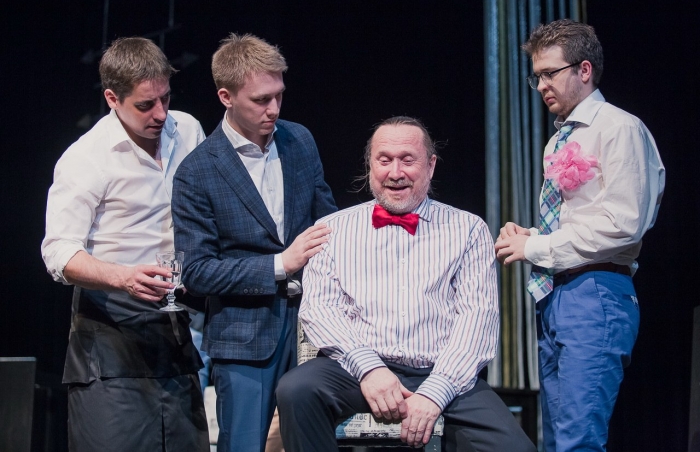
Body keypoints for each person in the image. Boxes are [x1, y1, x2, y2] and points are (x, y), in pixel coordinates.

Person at [276, 116, 536, 452]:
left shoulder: (468, 229)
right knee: (296, 390)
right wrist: (369, 369)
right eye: (384, 160)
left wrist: (435, 393)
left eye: (407, 160)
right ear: (370, 165)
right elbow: (320, 310)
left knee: (515, 448)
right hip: (356, 368)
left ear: (430, 166)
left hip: (440, 370)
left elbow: (477, 320)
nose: (395, 172)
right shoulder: (332, 230)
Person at [494, 19, 665, 451]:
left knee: (578, 441)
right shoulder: (558, 141)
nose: (541, 85)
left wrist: (536, 246)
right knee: (556, 440)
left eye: (550, 73)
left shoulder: (618, 128)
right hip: (557, 294)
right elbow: (576, 220)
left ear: (584, 69)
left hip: (597, 292)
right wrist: (531, 234)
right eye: (537, 77)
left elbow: (623, 224)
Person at [41, 37, 209, 452]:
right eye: (145, 105)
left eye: (165, 98)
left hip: (175, 330)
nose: (161, 113)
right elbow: (58, 251)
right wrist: (124, 277)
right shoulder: (87, 157)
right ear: (112, 99)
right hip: (110, 333)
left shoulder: (187, 130)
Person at [171, 33, 337, 452]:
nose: (274, 109)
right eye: (261, 100)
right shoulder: (197, 172)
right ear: (226, 97)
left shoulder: (299, 140)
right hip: (244, 338)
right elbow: (197, 271)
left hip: (314, 327)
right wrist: (281, 264)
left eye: (279, 95)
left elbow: (327, 223)